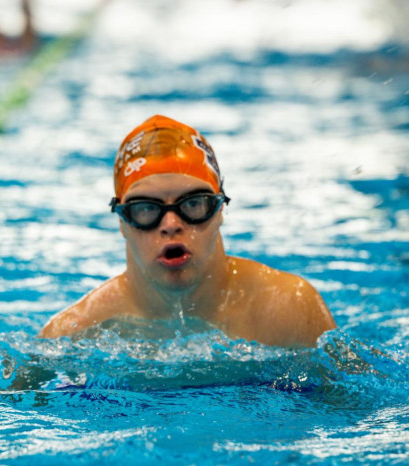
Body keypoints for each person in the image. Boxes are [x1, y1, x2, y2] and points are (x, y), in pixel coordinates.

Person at [39, 115, 336, 348]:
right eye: (146, 208)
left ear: (219, 210)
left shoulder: (288, 308)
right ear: (122, 221)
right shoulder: (71, 335)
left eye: (193, 204)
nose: (171, 224)